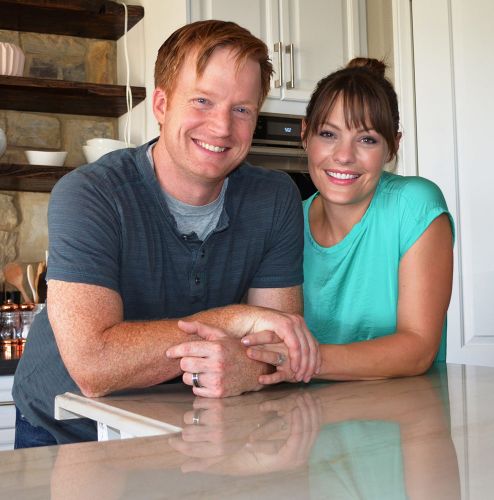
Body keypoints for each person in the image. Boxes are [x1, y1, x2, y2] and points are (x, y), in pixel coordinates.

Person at [12, 19, 319, 448]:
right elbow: (95, 366)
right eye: (202, 101)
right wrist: (235, 320)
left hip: (195, 431)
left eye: (242, 110)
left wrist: (251, 364)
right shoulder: (90, 194)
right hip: (67, 428)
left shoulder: (274, 198)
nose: (222, 127)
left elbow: (279, 344)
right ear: (161, 104)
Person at [244, 58, 454, 382]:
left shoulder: (414, 207)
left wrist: (301, 362)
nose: (344, 155)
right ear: (305, 134)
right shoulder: (286, 224)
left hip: (407, 408)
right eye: (328, 134)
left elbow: (419, 348)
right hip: (305, 410)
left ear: (393, 146)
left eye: (367, 139)